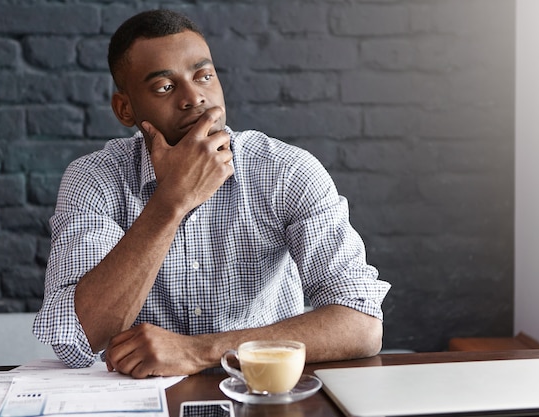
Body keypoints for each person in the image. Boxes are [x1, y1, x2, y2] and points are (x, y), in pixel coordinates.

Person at [33, 9, 390, 379]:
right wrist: (171, 201)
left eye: (204, 76)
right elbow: (77, 339)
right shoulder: (93, 179)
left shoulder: (286, 170)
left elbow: (362, 324)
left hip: (262, 394)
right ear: (125, 109)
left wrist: (199, 351)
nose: (193, 98)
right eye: (165, 87)